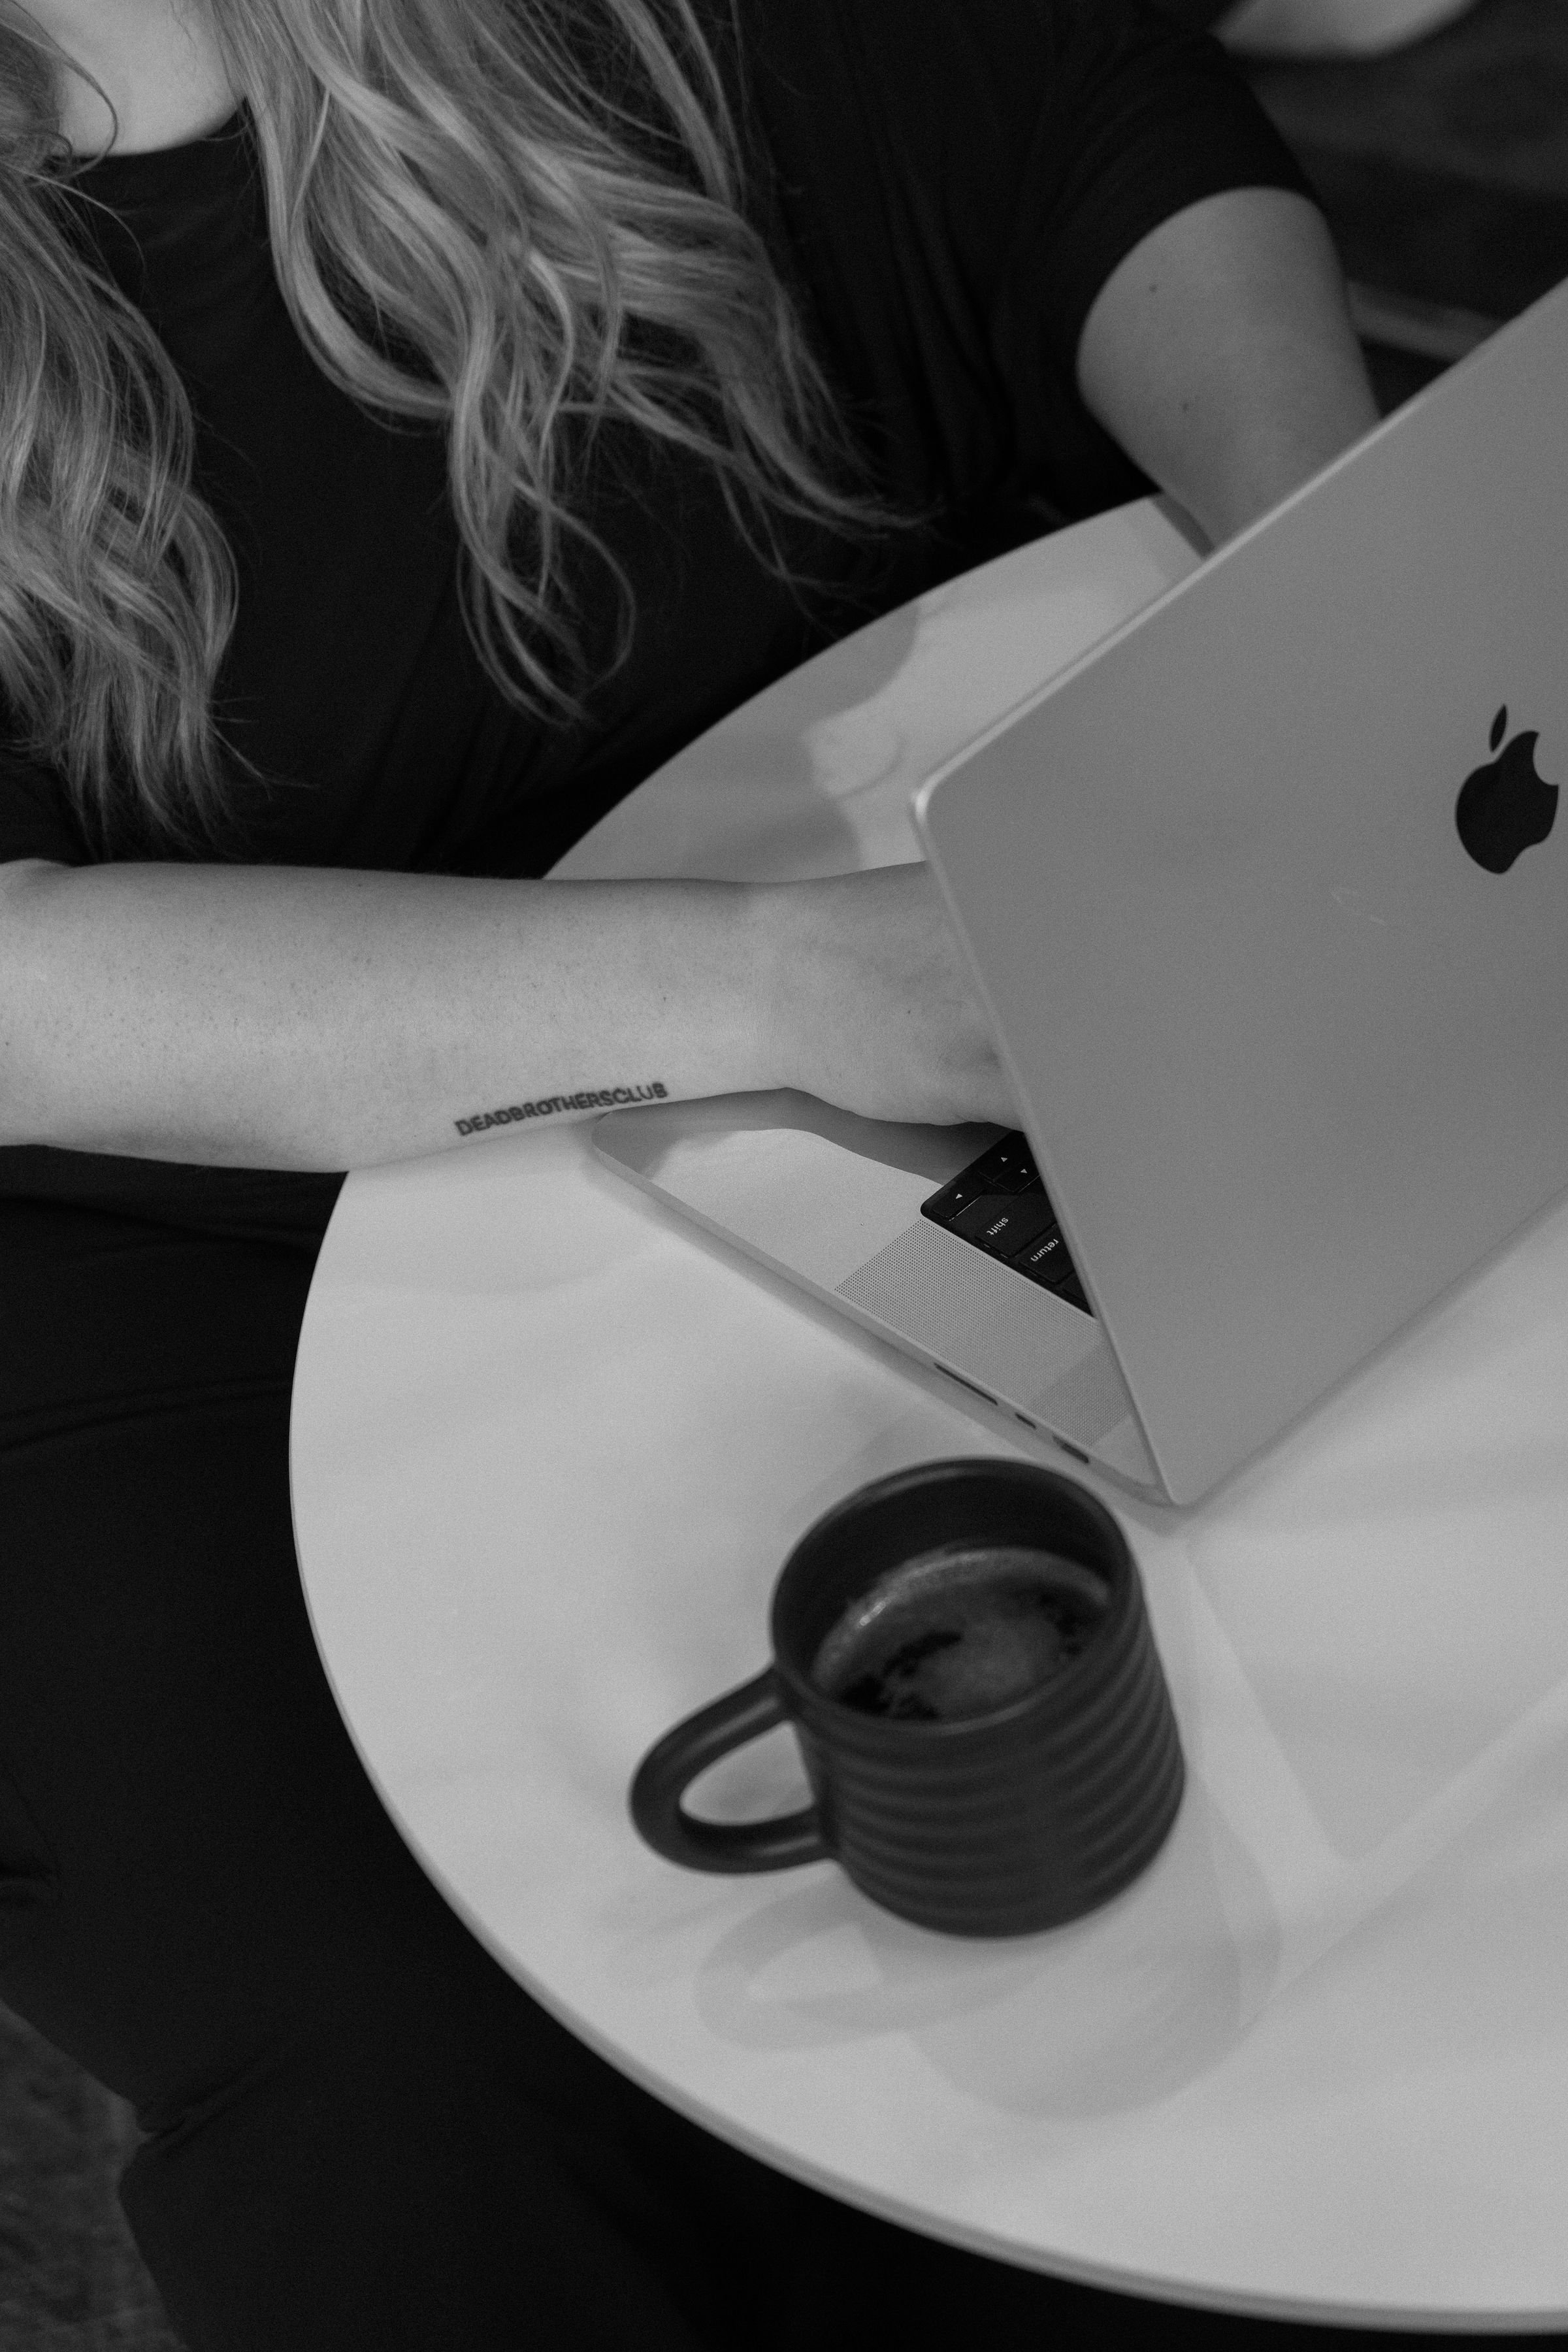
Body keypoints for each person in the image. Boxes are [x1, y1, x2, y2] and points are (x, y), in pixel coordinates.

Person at [0, 1, 1377, 2345]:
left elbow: (1072, 127)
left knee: (1281, 1739)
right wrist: (792, 991)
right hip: (168, 1231)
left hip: (853, 930)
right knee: (419, 2082)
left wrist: (1339, 605)